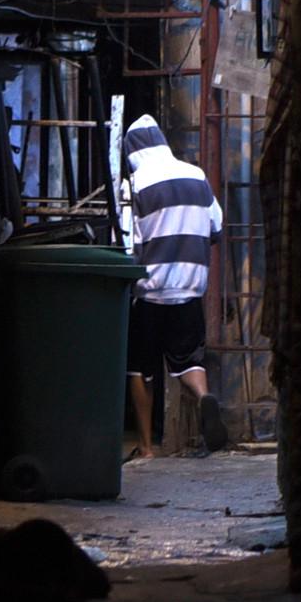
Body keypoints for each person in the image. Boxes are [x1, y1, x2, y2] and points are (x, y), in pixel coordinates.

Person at [119, 114, 224, 458]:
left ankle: (147, 447)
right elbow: (216, 227)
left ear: (133, 149)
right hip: (190, 289)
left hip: (151, 291)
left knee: (140, 369)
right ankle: (204, 397)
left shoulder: (135, 184)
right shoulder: (196, 175)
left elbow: (127, 242)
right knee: (189, 362)